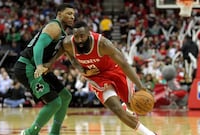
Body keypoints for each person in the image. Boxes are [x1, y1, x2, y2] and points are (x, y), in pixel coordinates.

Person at [58, 21, 157, 135]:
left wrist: (141, 87)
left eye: (82, 36)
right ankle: (150, 134)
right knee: (117, 109)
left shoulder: (103, 44)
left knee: (132, 106)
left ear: (89, 34)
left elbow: (124, 64)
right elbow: (73, 60)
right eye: (76, 37)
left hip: (114, 71)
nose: (79, 40)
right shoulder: (68, 43)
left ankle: (127, 106)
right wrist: (82, 70)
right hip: (96, 77)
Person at [13, 3, 75, 135]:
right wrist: (40, 65)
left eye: (73, 14)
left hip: (40, 67)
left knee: (65, 96)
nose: (72, 16)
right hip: (27, 66)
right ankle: (30, 133)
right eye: (69, 13)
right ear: (59, 14)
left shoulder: (64, 33)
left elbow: (61, 53)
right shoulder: (54, 27)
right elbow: (38, 46)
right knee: (54, 102)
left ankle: (54, 132)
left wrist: (49, 64)